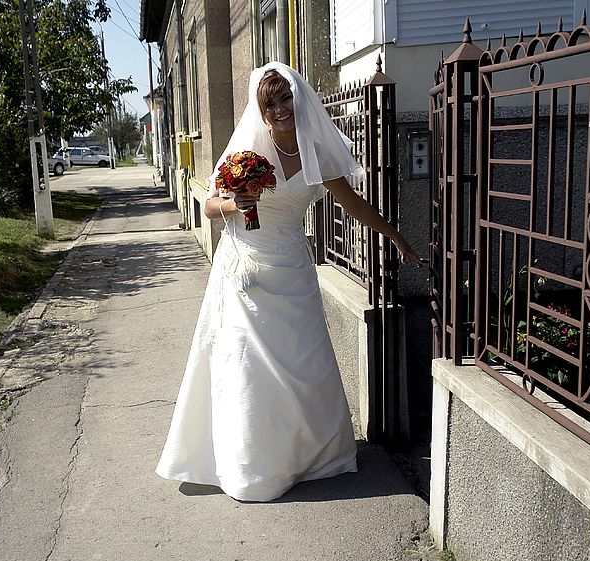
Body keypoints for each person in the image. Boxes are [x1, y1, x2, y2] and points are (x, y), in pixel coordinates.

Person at [155, 62, 422, 502]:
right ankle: (255, 465)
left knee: (306, 362)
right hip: (249, 271)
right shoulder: (245, 153)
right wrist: (236, 205)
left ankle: (308, 457)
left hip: (294, 269)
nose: (279, 109)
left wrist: (393, 235)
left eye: (284, 99)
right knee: (249, 368)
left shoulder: (315, 152)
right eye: (270, 103)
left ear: (297, 100)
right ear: (260, 111)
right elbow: (208, 206)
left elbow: (352, 202)